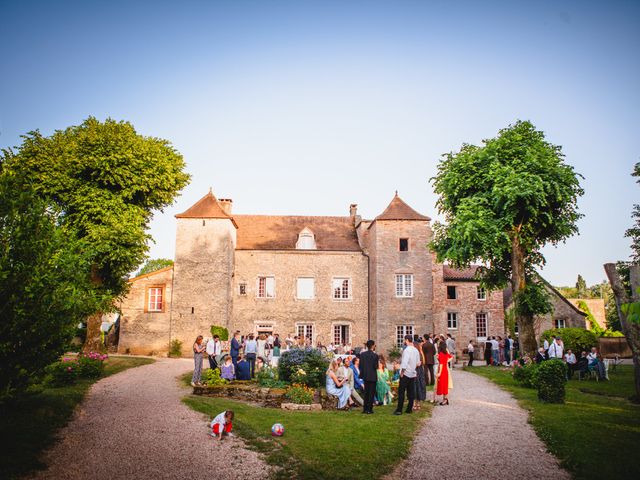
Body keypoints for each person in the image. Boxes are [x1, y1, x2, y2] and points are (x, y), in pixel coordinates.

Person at [394, 334, 420, 415]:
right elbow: (418, 363)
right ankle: (409, 409)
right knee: (410, 392)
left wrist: (402, 372)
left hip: (406, 373)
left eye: (405, 340)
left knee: (401, 391)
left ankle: (399, 410)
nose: (404, 342)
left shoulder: (407, 350)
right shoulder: (416, 350)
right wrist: (413, 369)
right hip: (412, 373)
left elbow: (405, 362)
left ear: (407, 340)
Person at [359, 339, 379, 414]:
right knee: (371, 393)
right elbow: (376, 366)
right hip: (372, 376)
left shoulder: (362, 355)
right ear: (373, 346)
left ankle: (365, 409)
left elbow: (360, 366)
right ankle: (369, 409)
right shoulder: (375, 355)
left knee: (366, 393)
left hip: (365, 375)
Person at [413, 335, 427, 411]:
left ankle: (415, 403)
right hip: (420, 371)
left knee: (415, 386)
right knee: (419, 386)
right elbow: (424, 362)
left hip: (416, 371)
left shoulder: (416, 353)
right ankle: (418, 404)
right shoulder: (420, 352)